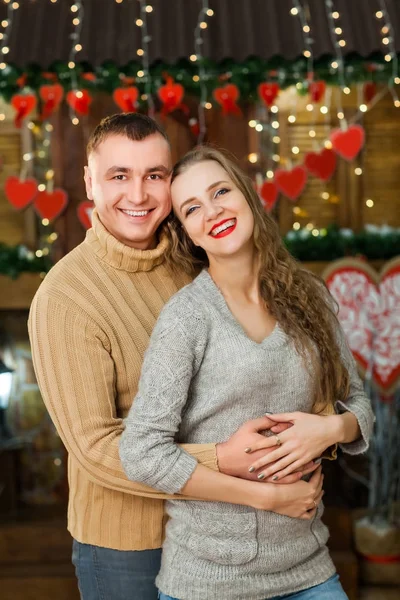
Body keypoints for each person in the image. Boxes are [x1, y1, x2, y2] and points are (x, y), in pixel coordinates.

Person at [28, 114, 320, 600]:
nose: (138, 195)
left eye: (154, 176)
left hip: (226, 534)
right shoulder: (66, 298)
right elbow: (96, 448)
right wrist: (230, 461)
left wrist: (305, 446)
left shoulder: (198, 261)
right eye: (119, 175)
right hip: (129, 547)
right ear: (89, 181)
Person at [119, 146, 374, 600]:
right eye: (193, 208)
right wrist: (266, 497)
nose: (213, 211)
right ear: (188, 233)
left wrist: (331, 429)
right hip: (206, 580)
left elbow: (357, 402)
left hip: (307, 567)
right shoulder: (187, 319)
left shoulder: (310, 296)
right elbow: (141, 451)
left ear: (248, 196)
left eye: (221, 191)